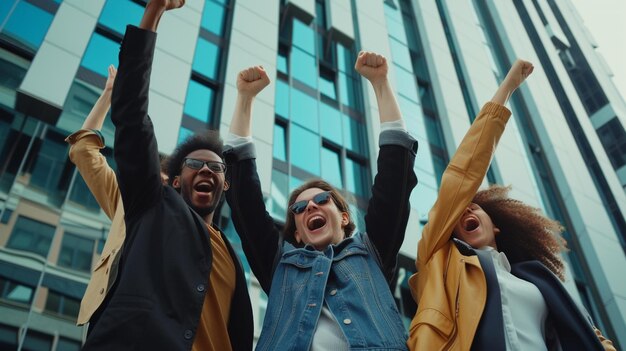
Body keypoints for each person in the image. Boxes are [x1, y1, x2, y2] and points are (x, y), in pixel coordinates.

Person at [407, 60, 616, 350]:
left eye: (476, 208)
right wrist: (507, 89)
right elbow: (462, 175)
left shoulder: (536, 281)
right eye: (459, 211)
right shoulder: (439, 261)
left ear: (496, 225)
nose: (466, 210)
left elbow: (590, 337)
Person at [81, 1, 253, 350]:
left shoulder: (233, 254)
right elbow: (131, 116)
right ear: (174, 181)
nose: (206, 168)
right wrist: (154, 12)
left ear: (225, 184)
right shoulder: (152, 206)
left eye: (216, 167)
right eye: (194, 165)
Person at [224, 52, 417, 350]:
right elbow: (243, 201)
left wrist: (380, 83)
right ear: (297, 232)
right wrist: (245, 99)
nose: (310, 207)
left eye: (322, 200)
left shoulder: (371, 253)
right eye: (299, 208)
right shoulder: (281, 266)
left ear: (343, 217)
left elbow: (395, 182)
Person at [66, 65, 171, 335]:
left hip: (160, 320)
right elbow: (82, 150)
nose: (154, 184)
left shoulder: (186, 222)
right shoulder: (125, 204)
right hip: (109, 311)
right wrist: (108, 95)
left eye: (164, 181)